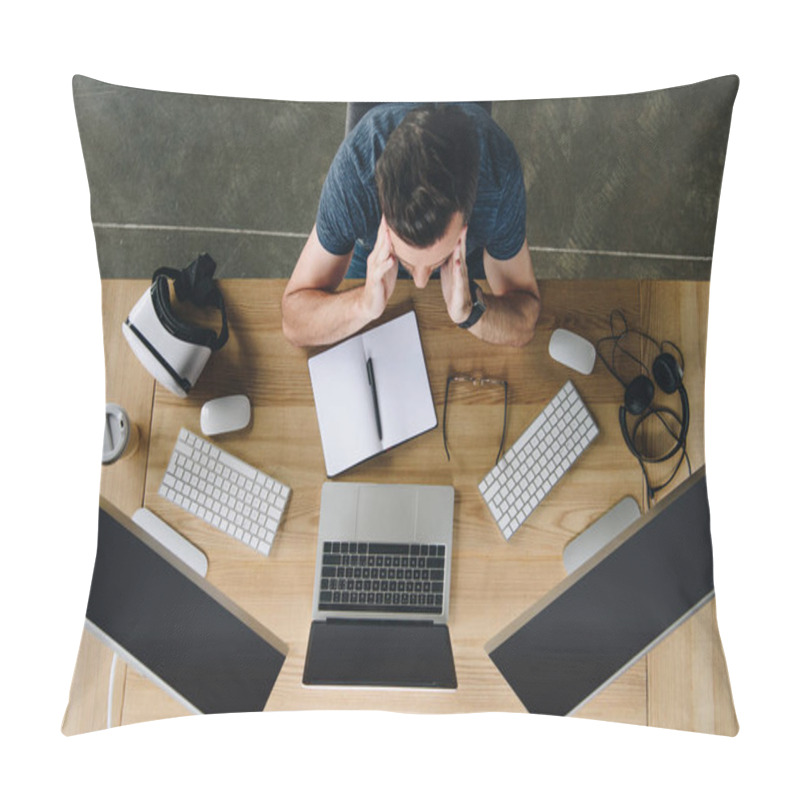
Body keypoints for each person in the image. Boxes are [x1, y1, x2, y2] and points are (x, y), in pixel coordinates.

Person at [281, 103, 540, 347]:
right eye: (411, 263)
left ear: (466, 217)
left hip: (463, 260)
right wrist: (362, 304)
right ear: (385, 221)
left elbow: (525, 319)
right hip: (377, 255)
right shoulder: (355, 174)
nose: (421, 283)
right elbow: (293, 321)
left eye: (433, 263)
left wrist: (470, 311)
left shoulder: (498, 174)